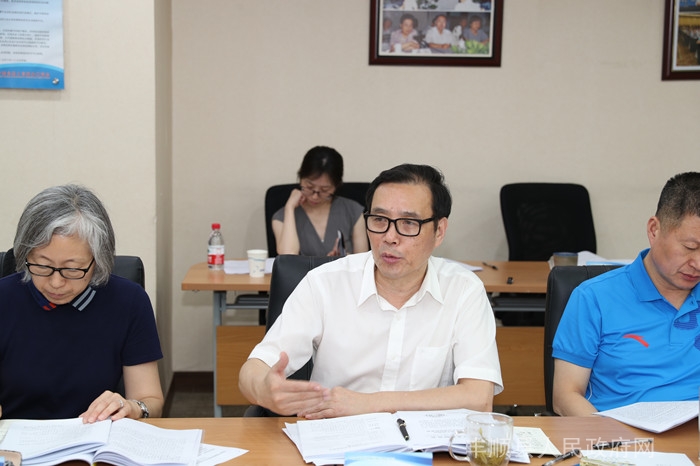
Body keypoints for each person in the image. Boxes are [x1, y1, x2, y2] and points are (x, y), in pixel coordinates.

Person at [240, 164, 503, 419]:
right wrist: (264, 390)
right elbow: (253, 369)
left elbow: (479, 398)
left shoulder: (463, 290)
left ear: (439, 231)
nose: (389, 237)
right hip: (335, 437)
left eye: (408, 223)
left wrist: (368, 403)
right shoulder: (325, 283)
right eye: (379, 220)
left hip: (426, 443)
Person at [0, 184, 164, 421]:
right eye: (42, 265)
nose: (56, 282)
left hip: (95, 438)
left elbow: (151, 400)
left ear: (98, 260)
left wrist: (133, 407)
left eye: (72, 269)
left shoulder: (129, 302)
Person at [552, 172, 700, 416]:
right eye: (690, 247)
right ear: (654, 230)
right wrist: (610, 438)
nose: (697, 263)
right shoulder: (593, 298)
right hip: (620, 434)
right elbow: (565, 396)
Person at [272, 146, 369, 257]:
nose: (315, 196)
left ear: (336, 186)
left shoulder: (353, 211)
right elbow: (288, 256)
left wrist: (343, 259)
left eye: (324, 190)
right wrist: (289, 208)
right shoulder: (281, 217)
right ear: (300, 178)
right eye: (309, 187)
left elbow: (363, 260)